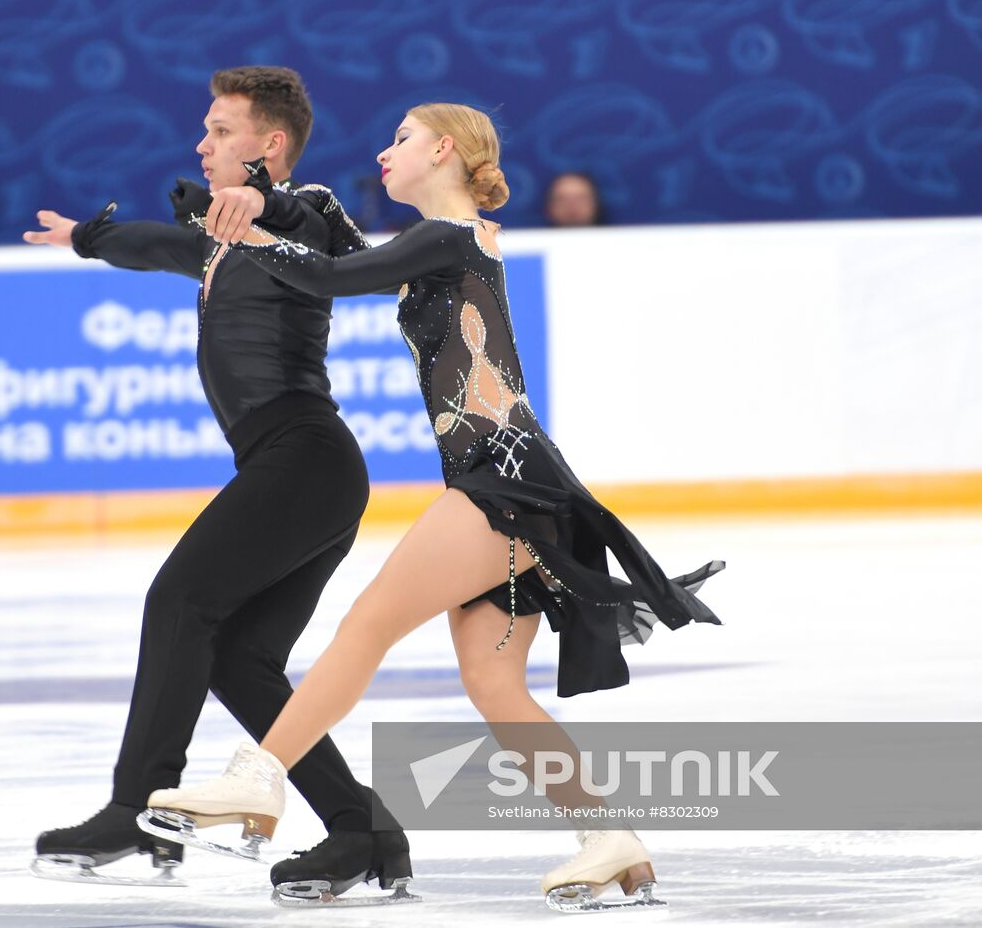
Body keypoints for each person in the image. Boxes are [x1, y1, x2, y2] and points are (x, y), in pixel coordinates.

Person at [143, 103, 724, 912]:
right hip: (523, 481)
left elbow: (326, 276)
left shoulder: (451, 237)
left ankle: (260, 778)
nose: (384, 153)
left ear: (444, 149)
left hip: (499, 480)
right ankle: (607, 835)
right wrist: (277, 207)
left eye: (402, 140)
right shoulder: (445, 243)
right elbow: (349, 255)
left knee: (368, 623)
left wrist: (244, 234)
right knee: (494, 685)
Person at [21, 66, 412, 905]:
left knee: (179, 601)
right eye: (204, 130)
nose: (202, 145)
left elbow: (310, 223)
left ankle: (136, 808)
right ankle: (360, 828)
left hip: (304, 460)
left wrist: (263, 198)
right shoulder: (221, 241)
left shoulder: (303, 216)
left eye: (221, 131)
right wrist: (87, 237)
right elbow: (157, 246)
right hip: (301, 471)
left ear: (270, 144)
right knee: (239, 661)